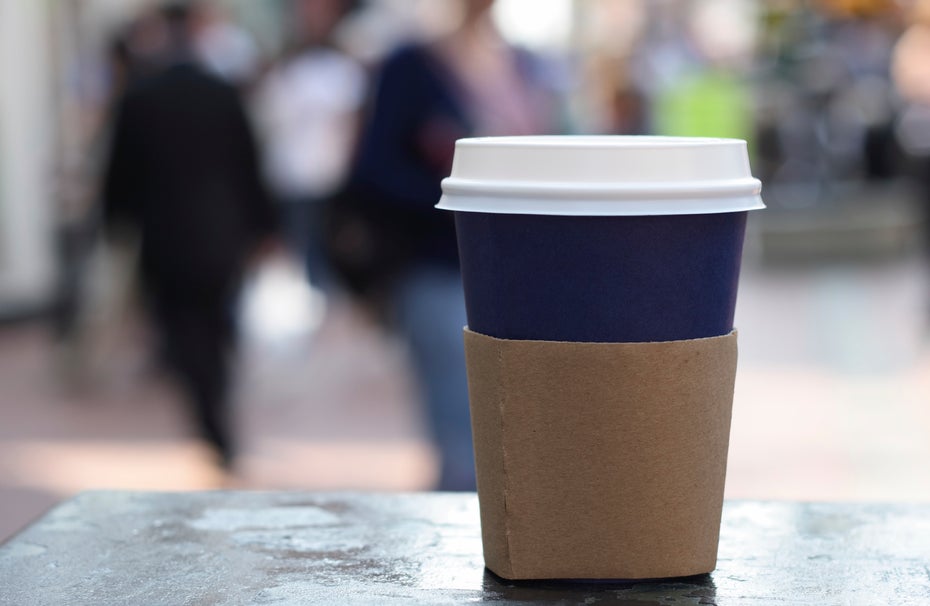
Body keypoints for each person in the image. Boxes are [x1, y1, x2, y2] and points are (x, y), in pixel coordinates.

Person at [345, 0, 558, 490]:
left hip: (516, 269)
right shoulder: (412, 65)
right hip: (437, 266)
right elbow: (372, 172)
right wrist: (459, 198)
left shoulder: (519, 62)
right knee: (461, 435)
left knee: (517, 428)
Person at [101, 2, 277, 468]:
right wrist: (263, 226)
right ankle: (216, 411)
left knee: (185, 330)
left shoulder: (140, 97)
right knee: (214, 326)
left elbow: (118, 177)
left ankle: (212, 417)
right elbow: (251, 166)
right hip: (222, 235)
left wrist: (115, 223)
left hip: (165, 238)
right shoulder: (222, 92)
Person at [256, 0, 365, 291]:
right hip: (292, 182)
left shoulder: (344, 67)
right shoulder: (285, 67)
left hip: (332, 182)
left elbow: (352, 125)